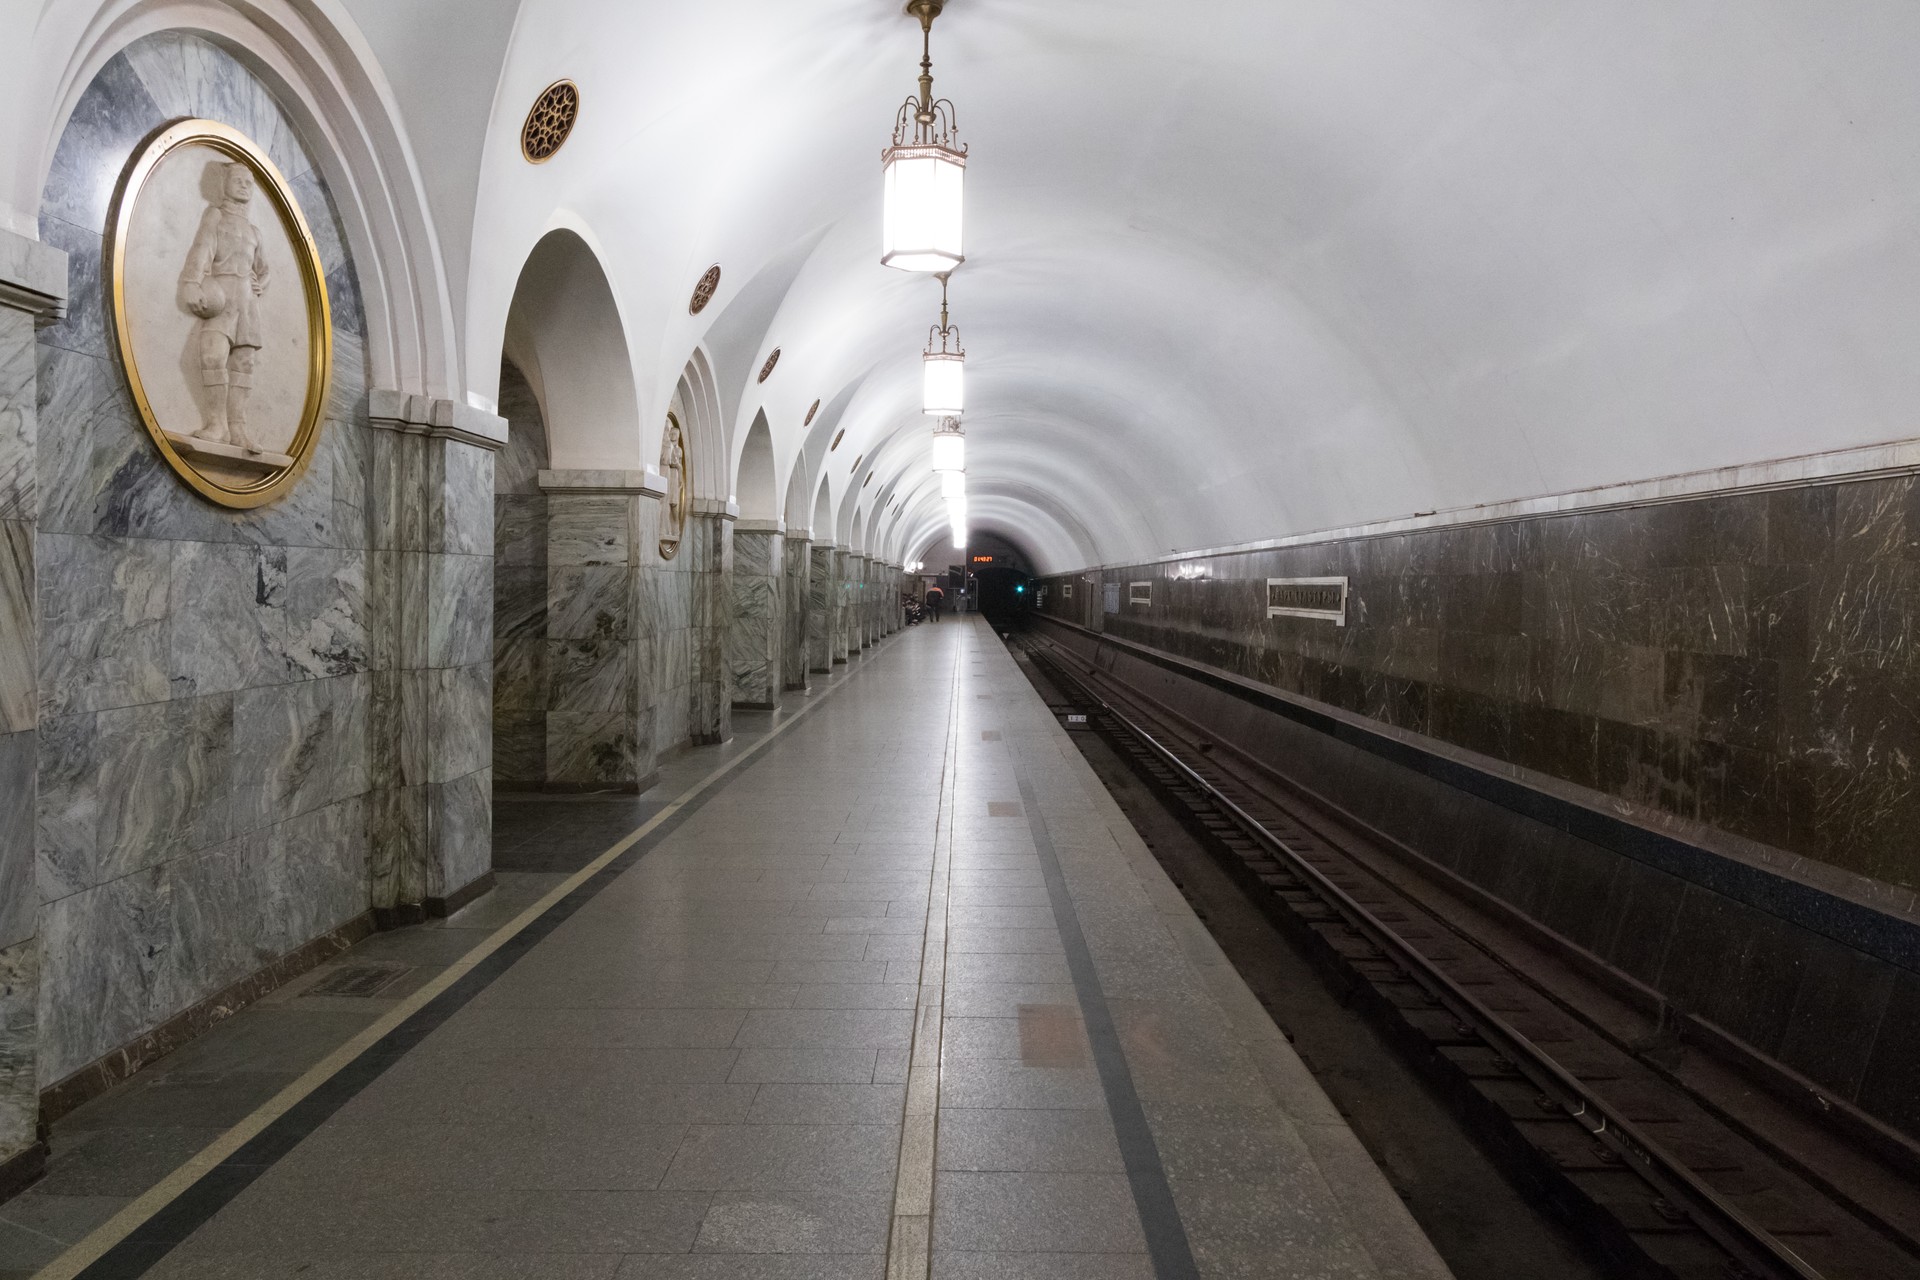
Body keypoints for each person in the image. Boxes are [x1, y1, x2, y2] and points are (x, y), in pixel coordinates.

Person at [180, 161, 270, 450]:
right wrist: (193, 282)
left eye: (249, 182)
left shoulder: (255, 231)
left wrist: (261, 285)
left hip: (247, 301)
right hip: (222, 293)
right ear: (225, 184)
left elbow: (264, 269)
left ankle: (238, 429)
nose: (245, 185)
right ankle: (216, 424)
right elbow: (202, 249)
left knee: (244, 363)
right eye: (238, 180)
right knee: (212, 356)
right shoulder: (215, 215)